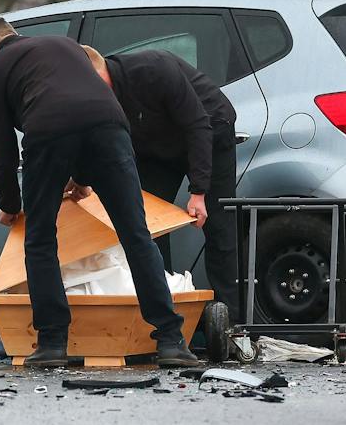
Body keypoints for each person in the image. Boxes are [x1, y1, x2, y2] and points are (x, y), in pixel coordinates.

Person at [0, 17, 195, 369]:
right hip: (111, 126)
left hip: (47, 131)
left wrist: (10, 205)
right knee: (136, 235)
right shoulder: (63, 46)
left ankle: (52, 344)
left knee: (41, 238)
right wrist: (81, 175)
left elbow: (1, 148)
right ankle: (171, 341)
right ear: (16, 36)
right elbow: (82, 102)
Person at [83, 45, 240, 316]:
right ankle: (163, 313)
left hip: (209, 131)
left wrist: (199, 192)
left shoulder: (154, 68)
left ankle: (231, 319)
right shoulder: (94, 97)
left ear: (99, 73)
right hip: (156, 145)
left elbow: (198, 125)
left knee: (218, 225)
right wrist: (79, 179)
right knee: (147, 224)